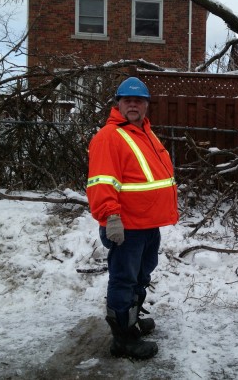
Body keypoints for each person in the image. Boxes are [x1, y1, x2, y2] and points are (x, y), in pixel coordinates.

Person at [86, 77, 178, 360]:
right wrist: (110, 217)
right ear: (118, 104)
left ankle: (132, 321)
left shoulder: (145, 133)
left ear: (146, 105)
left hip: (148, 224)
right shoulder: (109, 137)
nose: (134, 105)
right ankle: (122, 339)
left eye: (139, 101)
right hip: (126, 226)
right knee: (124, 280)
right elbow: (101, 182)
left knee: (140, 276)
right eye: (128, 100)